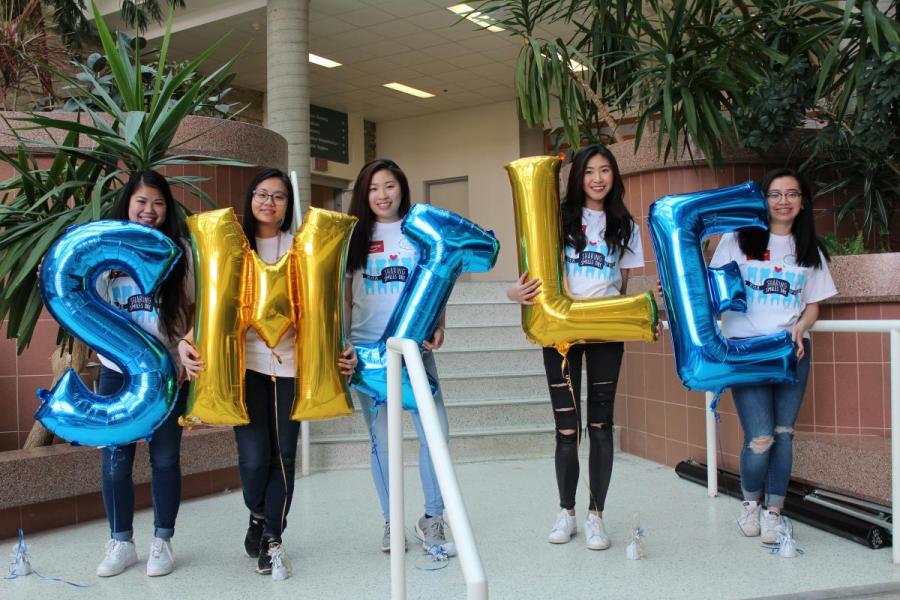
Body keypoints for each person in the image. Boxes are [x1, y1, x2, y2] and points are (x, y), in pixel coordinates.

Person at [179, 168, 357, 579]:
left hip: (293, 368)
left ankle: (273, 539)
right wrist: (187, 342)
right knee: (255, 457)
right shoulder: (232, 247)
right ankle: (258, 515)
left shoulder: (300, 248)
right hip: (244, 370)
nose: (269, 202)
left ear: (287, 204)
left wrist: (340, 347)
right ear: (251, 199)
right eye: (262, 194)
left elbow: (323, 306)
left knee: (284, 455)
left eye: (278, 196)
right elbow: (212, 306)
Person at [507, 144, 644, 550]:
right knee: (567, 429)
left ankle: (596, 515)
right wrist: (513, 292)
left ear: (614, 177)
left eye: (605, 170)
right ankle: (566, 512)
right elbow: (533, 275)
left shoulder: (625, 225)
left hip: (605, 331)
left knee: (601, 426)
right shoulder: (558, 219)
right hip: (562, 334)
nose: (598, 178)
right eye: (589, 171)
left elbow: (624, 284)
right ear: (577, 177)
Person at [710, 167, 836, 544]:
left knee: (783, 434)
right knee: (760, 436)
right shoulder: (736, 239)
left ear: (802, 202)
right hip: (746, 352)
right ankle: (750, 503)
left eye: (792, 194)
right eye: (775, 194)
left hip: (790, 351)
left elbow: (813, 305)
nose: (783, 201)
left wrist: (800, 327)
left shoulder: (810, 249)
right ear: (762, 200)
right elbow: (715, 292)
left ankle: (774, 512)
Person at [344, 158, 455, 555]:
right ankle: (392, 521)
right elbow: (340, 294)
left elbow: (439, 278)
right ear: (364, 193)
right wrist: (341, 342)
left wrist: (439, 323)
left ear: (402, 188)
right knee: (382, 443)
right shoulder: (353, 234)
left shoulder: (419, 229)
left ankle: (433, 518)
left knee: (435, 434)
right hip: (367, 356)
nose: (382, 195)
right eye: (373, 188)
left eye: (389, 186)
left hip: (414, 350)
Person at [94, 170, 194, 577]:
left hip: (166, 371)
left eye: (158, 203)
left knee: (165, 458)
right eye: (141, 202)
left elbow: (195, 310)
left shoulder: (179, 253)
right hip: (115, 372)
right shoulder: (103, 251)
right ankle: (121, 542)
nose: (149, 210)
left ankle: (162, 541)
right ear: (127, 205)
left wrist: (189, 351)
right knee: (115, 459)